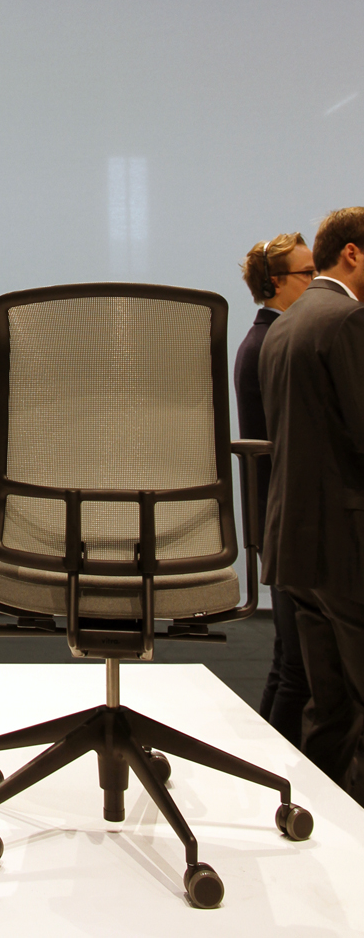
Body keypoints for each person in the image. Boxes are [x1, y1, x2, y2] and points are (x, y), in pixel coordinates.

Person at [260, 207, 364, 804]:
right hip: (346, 546)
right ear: (351, 253)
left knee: (331, 707)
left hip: (299, 544)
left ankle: (316, 819)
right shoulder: (346, 320)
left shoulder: (287, 324)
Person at [234, 233, 315, 747]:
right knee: (297, 668)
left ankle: (264, 759)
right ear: (276, 283)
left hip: (276, 515)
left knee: (291, 660)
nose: (317, 281)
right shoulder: (271, 343)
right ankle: (280, 767)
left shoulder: (263, 339)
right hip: (284, 519)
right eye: (309, 273)